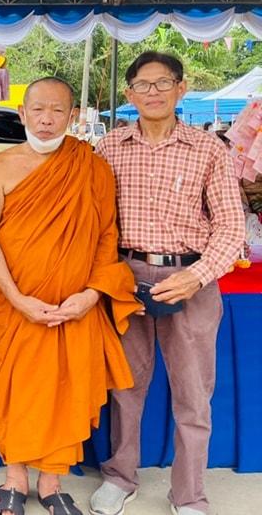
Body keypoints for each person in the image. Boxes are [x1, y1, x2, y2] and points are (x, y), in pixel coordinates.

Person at [0, 77, 137, 515]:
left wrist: (91, 295)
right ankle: (14, 477)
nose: (47, 119)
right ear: (22, 113)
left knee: (66, 389)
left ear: (72, 116)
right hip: (15, 305)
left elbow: (106, 237)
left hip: (74, 306)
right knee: (15, 389)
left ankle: (51, 481)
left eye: (58, 110)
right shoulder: (0, 166)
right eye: (38, 109)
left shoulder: (92, 168)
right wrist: (18, 298)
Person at [91, 53, 244, 515]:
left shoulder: (209, 149)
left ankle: (189, 494)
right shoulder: (109, 148)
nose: (153, 92)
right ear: (129, 94)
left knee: (194, 395)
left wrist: (195, 276)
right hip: (127, 278)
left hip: (192, 279)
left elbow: (231, 227)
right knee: (125, 387)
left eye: (163, 83)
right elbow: (94, 220)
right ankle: (120, 477)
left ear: (181, 88)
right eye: (143, 84)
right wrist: (111, 276)